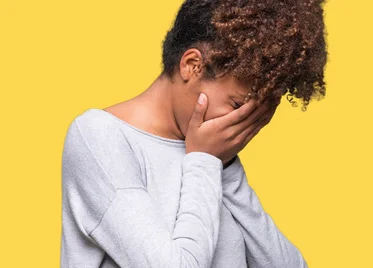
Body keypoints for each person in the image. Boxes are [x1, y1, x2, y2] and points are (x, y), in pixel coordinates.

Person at [59, 0, 327, 267]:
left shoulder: (212, 154)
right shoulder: (98, 136)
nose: (242, 123)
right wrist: (205, 161)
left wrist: (226, 167)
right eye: (236, 106)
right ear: (192, 65)